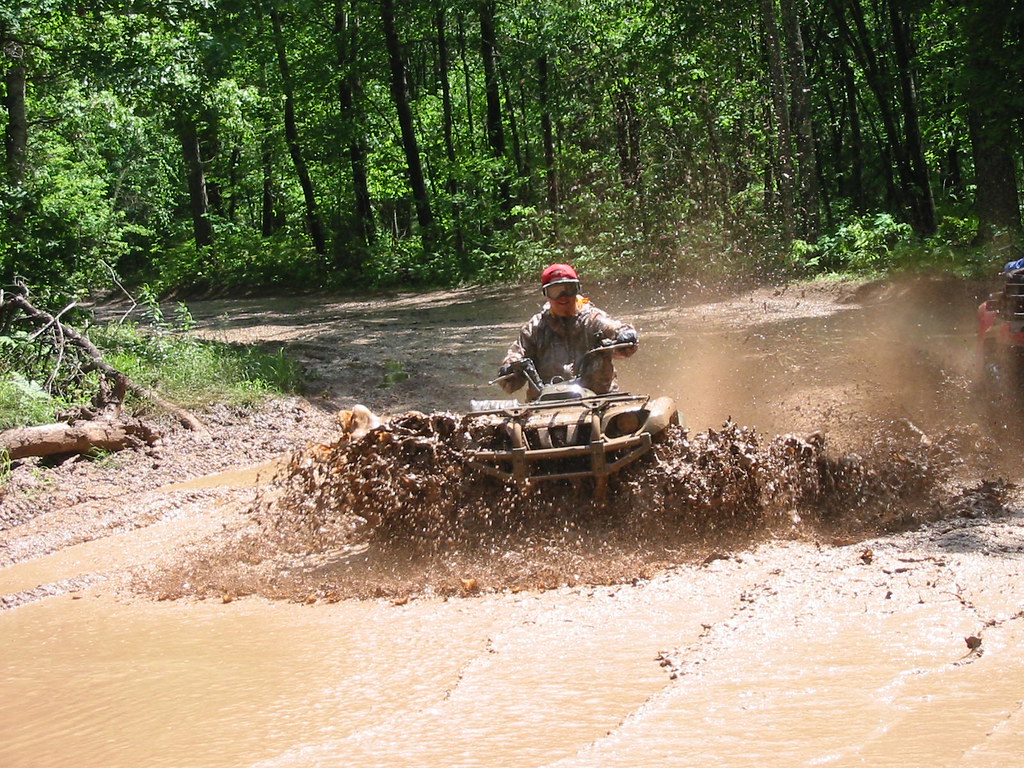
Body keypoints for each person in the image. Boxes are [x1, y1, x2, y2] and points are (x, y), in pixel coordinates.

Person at [497, 263, 639, 399]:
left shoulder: (593, 319)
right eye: (556, 291)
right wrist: (510, 367)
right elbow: (516, 358)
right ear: (546, 294)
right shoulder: (534, 328)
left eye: (569, 289)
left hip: (599, 400)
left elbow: (614, 329)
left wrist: (625, 335)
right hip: (544, 404)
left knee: (632, 421)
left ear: (577, 289)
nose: (563, 296)